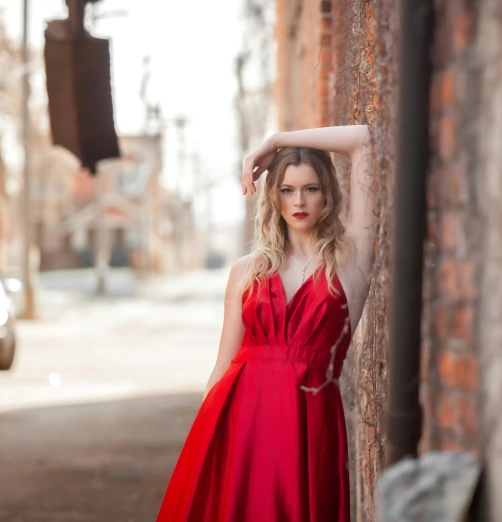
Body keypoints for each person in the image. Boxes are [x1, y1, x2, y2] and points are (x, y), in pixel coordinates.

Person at [156, 125, 375, 522]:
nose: (298, 201)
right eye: (287, 190)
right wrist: (204, 445)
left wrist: (276, 142)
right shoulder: (246, 271)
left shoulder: (349, 263)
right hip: (241, 418)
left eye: (310, 188)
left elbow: (363, 140)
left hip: (309, 422)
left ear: (328, 193)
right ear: (273, 197)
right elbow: (222, 367)